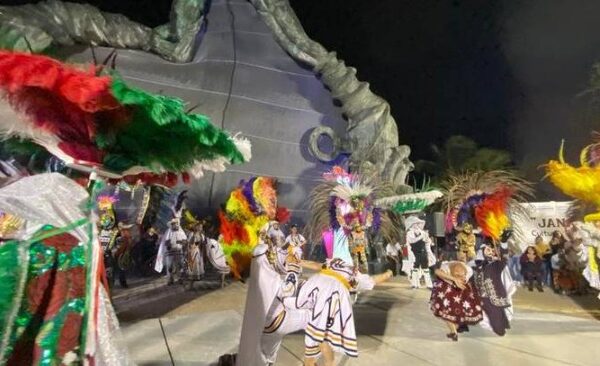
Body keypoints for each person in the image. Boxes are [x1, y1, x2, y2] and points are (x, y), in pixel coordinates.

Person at [431, 261, 483, 341]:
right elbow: (437, 271)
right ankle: (453, 331)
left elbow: (466, 282)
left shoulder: (469, 271)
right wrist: (454, 279)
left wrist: (460, 280)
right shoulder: (446, 267)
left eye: (462, 275)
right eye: (457, 274)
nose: (460, 276)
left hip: (461, 290)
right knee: (446, 311)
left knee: (457, 312)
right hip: (446, 288)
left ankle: (454, 331)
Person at [472, 244, 516, 336]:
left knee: (497, 315)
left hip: (495, 295)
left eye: (492, 250)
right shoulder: (473, 266)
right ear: (481, 251)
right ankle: (501, 327)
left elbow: (504, 258)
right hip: (482, 297)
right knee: (495, 315)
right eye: (488, 250)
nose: (491, 251)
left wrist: (504, 244)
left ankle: (500, 329)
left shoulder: (495, 265)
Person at [405, 215, 435, 289]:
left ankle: (429, 285)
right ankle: (415, 284)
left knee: (426, 269)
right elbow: (412, 241)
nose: (417, 225)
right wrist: (421, 237)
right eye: (415, 223)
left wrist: (428, 241)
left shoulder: (422, 232)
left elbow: (427, 242)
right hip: (414, 253)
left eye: (418, 223)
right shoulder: (409, 233)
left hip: (423, 252)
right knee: (415, 269)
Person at [155, 219, 188, 285]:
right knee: (170, 267)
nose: (175, 224)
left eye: (176, 223)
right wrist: (169, 244)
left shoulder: (181, 232)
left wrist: (180, 242)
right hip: (170, 252)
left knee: (180, 266)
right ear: (171, 224)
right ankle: (170, 279)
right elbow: (165, 241)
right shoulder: (168, 231)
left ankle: (180, 279)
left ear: (178, 223)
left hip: (179, 251)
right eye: (173, 223)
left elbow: (185, 241)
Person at [112, 222, 134, 288]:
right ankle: (121, 283)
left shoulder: (125, 233)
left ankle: (122, 283)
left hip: (123, 252)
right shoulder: (119, 234)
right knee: (120, 268)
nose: (128, 230)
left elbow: (129, 243)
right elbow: (118, 245)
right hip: (119, 253)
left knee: (122, 268)